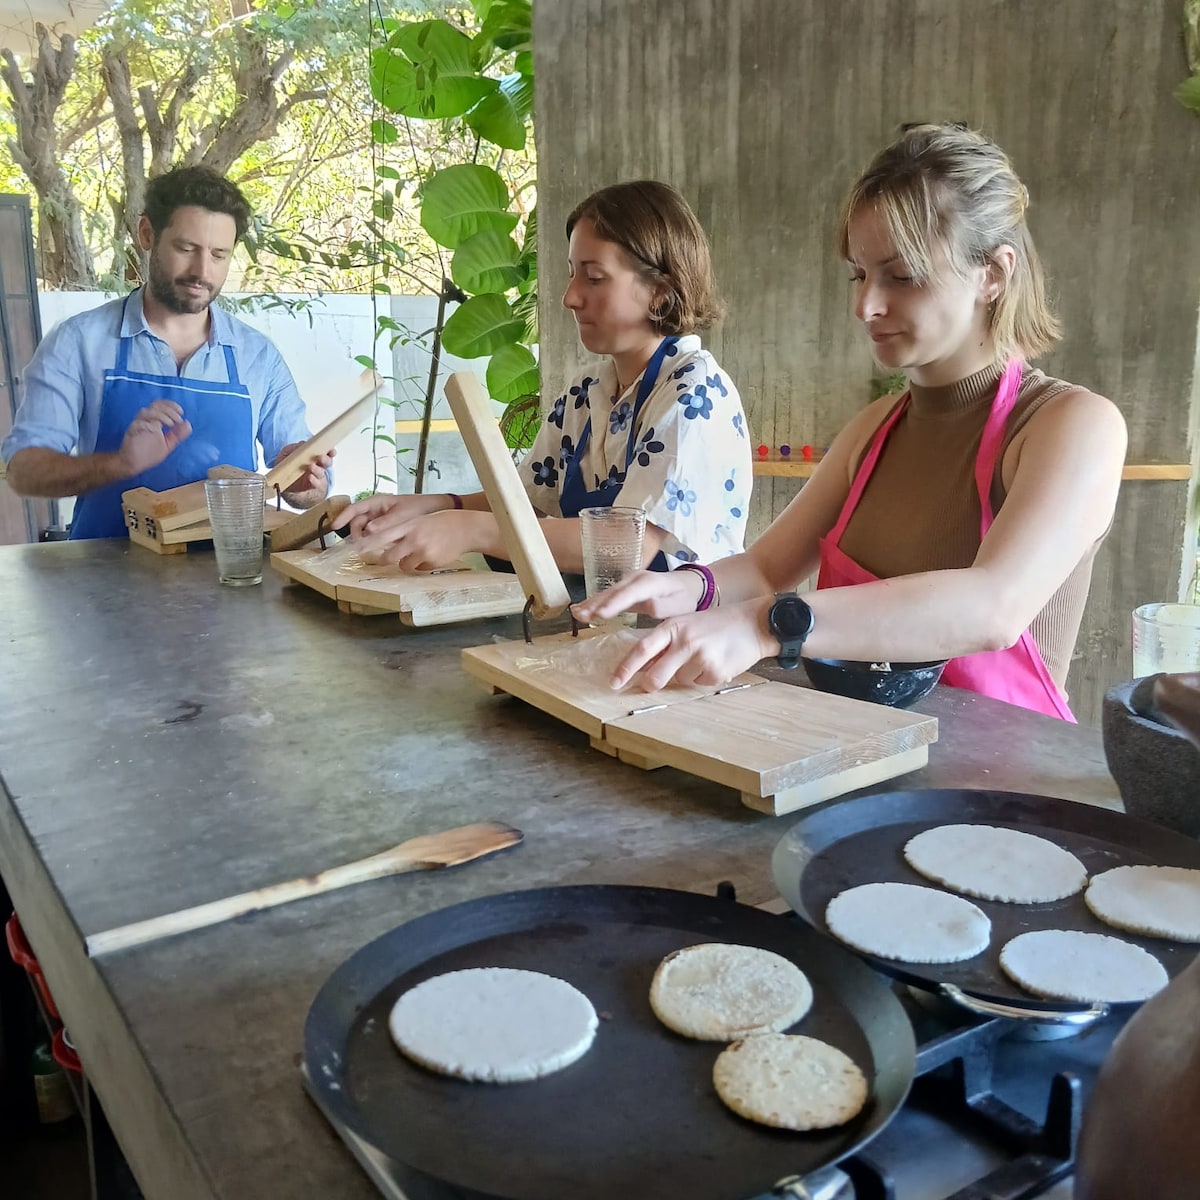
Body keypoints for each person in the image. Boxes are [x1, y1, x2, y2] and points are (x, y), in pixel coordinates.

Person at [575, 125, 1127, 721]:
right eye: (858, 274)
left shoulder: (1072, 425)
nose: (866, 306)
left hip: (991, 795)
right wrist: (682, 588)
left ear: (993, 273)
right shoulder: (874, 428)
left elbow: (992, 608)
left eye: (902, 275)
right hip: (851, 753)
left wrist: (767, 625)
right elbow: (765, 568)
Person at [337, 180, 751, 575]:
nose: (570, 297)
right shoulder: (586, 392)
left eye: (594, 278)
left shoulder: (693, 393)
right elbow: (527, 504)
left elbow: (633, 546)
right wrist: (434, 507)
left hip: (686, 635)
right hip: (602, 623)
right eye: (572, 274)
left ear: (660, 291)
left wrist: (471, 530)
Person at [1, 165, 331, 539]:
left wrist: (304, 484)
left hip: (231, 580)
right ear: (147, 234)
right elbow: (24, 471)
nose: (201, 271)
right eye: (186, 248)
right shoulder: (79, 342)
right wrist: (119, 464)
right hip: (104, 583)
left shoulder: (258, 356)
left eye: (219, 255)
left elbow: (307, 489)